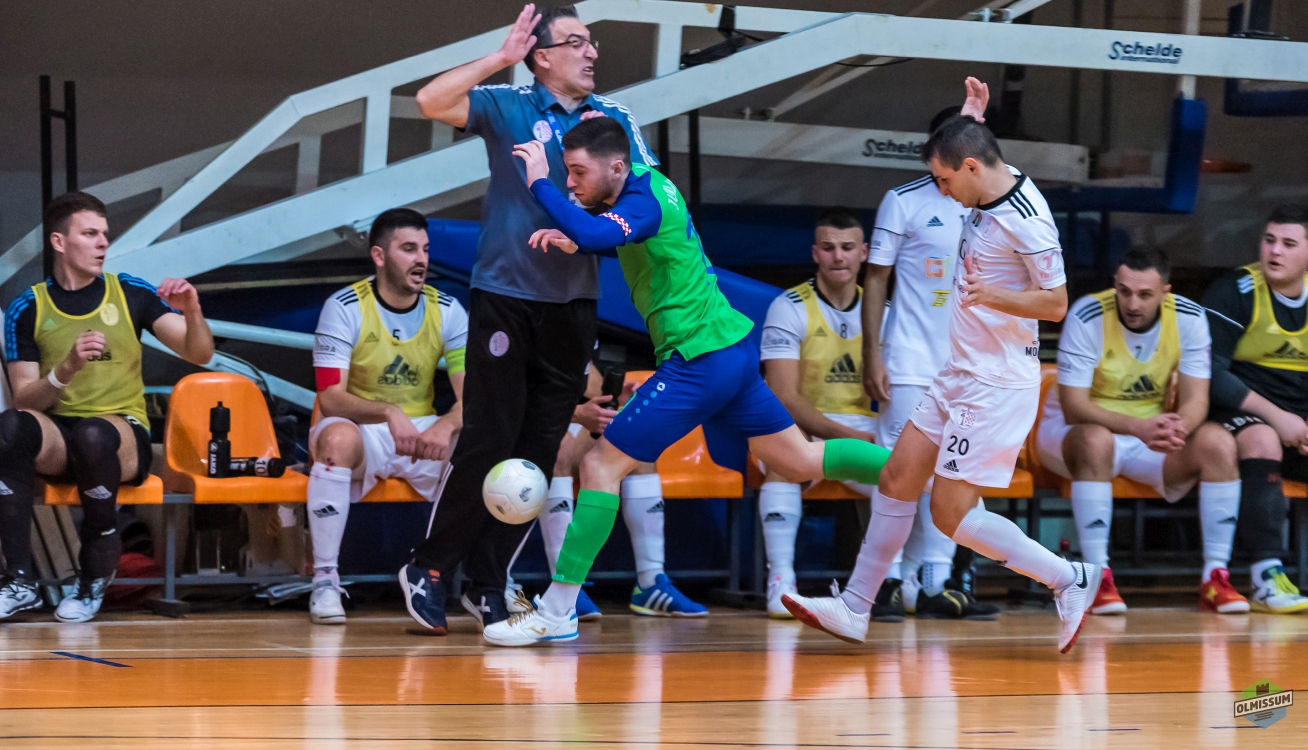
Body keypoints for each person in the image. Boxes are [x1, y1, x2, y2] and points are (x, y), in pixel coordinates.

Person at [480, 117, 890, 646]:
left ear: (617, 167)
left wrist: (540, 181)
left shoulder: (643, 200)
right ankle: (917, 473)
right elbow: (617, 235)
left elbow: (596, 230)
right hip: (729, 351)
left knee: (600, 466)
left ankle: (557, 610)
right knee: (798, 460)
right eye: (566, 173)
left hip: (698, 359)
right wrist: (581, 238)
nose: (571, 182)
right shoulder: (647, 187)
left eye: (578, 172)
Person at [784, 82, 1103, 655]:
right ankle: (855, 608)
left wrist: (993, 297)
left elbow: (1056, 303)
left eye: (945, 179)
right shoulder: (986, 180)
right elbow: (972, 149)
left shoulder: (1027, 222)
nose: (942, 189)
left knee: (950, 513)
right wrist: (969, 119)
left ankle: (1068, 577)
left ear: (971, 168)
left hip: (995, 385)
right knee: (895, 478)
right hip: (959, 371)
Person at [399, 3, 657, 633]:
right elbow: (430, 101)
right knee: (490, 438)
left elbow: (643, 193)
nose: (591, 53)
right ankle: (429, 568)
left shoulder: (614, 120)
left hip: (574, 303)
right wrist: (499, 57)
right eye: (576, 43)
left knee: (541, 447)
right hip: (505, 296)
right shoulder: (509, 105)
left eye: (592, 43)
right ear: (541, 57)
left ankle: (490, 582)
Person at [0, 191, 214, 623]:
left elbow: (199, 353)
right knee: (10, 426)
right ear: (59, 242)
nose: (103, 243)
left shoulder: (130, 292)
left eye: (105, 234)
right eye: (90, 234)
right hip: (61, 438)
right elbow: (24, 398)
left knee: (93, 434)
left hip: (121, 434)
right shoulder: (28, 306)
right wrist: (66, 369)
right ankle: (19, 581)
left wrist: (192, 311)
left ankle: (93, 577)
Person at [1037, 247, 1245, 615]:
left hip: (1148, 435)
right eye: (1125, 291)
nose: (1133, 303)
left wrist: (1178, 427)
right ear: (1115, 285)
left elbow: (1196, 399)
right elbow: (1074, 408)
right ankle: (1097, 578)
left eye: (1145, 294)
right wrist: (1139, 427)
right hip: (1072, 434)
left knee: (1218, 443)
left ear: (1165, 292)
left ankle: (1215, 576)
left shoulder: (1190, 317)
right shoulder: (1087, 315)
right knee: (1096, 440)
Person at [862, 106, 1001, 622]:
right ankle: (886, 582)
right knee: (900, 471)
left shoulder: (999, 207)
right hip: (910, 361)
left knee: (954, 471)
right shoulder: (903, 201)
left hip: (971, 368)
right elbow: (876, 278)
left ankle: (934, 583)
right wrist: (872, 352)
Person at [307, 209, 467, 626]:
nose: (421, 260)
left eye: (425, 250)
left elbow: (474, 398)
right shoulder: (343, 307)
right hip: (364, 431)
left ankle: (483, 581)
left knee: (485, 447)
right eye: (408, 249)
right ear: (379, 256)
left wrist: (447, 424)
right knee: (336, 440)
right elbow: (330, 399)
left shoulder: (448, 309)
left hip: (423, 431)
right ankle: (325, 579)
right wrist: (388, 411)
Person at [503, 362, 707, 620]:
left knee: (634, 441)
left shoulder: (574, 337)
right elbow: (511, 395)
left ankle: (651, 582)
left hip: (564, 420)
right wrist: (577, 412)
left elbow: (583, 369)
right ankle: (565, 587)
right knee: (558, 445)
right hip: (516, 427)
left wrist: (611, 397)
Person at [758, 208, 878, 618]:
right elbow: (784, 397)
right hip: (798, 426)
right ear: (815, 254)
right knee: (785, 457)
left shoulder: (884, 310)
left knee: (917, 464)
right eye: (828, 248)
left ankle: (902, 580)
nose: (838, 256)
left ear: (864, 252)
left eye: (847, 247)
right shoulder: (789, 306)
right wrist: (851, 439)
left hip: (861, 425)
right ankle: (782, 582)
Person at [1202, 205, 1308, 614]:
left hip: (1298, 425)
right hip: (1237, 414)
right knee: (1263, 438)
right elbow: (1210, 373)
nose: (1275, 251)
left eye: (1288, 243)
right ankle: (1266, 576)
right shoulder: (1234, 291)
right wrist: (1278, 418)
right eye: (1269, 240)